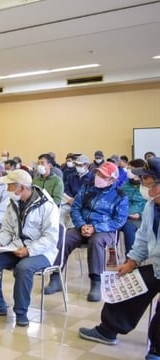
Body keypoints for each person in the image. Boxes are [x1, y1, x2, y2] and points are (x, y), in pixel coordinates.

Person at [78, 157, 160, 360]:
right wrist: (131, 262)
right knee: (125, 282)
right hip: (158, 267)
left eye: (148, 181)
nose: (143, 185)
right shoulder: (151, 206)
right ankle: (108, 330)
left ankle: (156, 350)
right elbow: (142, 239)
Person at [0, 169, 59, 327]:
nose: (7, 190)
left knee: (23, 268)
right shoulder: (12, 203)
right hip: (16, 247)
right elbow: (7, 229)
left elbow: (51, 238)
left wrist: (29, 250)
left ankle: (21, 312)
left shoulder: (47, 206)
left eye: (10, 186)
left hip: (41, 252)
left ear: (21, 187)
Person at [45, 161, 128, 302]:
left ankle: (96, 282)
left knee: (96, 242)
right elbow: (76, 208)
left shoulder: (120, 196)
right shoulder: (87, 188)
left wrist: (96, 228)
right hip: (83, 226)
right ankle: (55, 277)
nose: (99, 177)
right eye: (98, 173)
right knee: (64, 238)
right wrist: (82, 225)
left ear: (112, 179)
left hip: (105, 230)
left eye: (103, 175)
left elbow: (119, 220)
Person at [119, 159, 147, 256]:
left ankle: (130, 258)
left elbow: (151, 205)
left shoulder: (147, 186)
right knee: (110, 227)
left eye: (130, 169)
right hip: (123, 216)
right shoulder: (125, 186)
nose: (128, 171)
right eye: (128, 169)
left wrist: (139, 214)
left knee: (129, 227)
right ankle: (112, 253)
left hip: (140, 218)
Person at [61, 154, 94, 229]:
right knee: (61, 212)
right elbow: (66, 190)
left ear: (87, 165)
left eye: (80, 165)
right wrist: (69, 200)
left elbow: (91, 194)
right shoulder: (71, 176)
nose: (77, 167)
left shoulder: (92, 178)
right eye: (76, 164)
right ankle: (62, 233)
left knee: (75, 215)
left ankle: (72, 233)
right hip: (69, 202)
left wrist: (76, 201)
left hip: (83, 205)